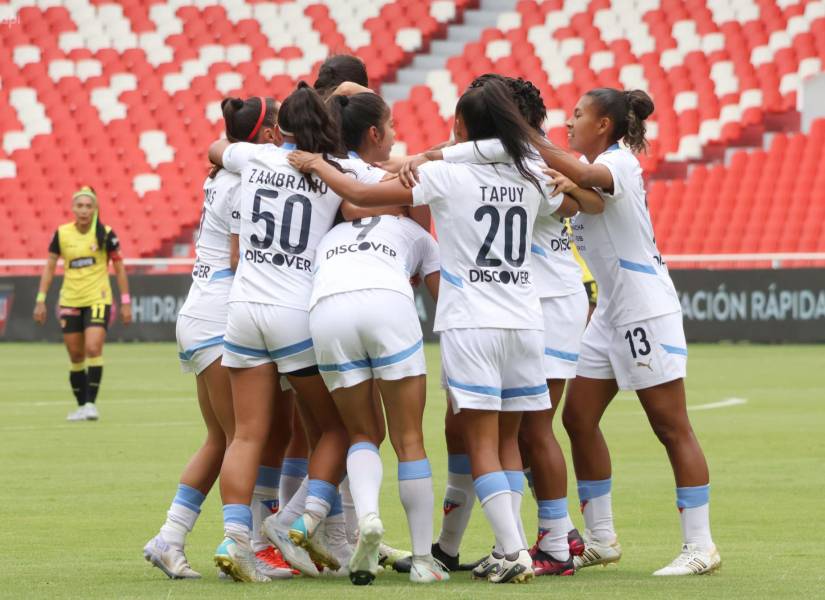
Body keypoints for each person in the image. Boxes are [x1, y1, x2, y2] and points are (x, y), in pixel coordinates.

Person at [288, 79, 581, 584]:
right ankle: (512, 545)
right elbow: (583, 205)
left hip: (473, 321)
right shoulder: (534, 171)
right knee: (512, 440)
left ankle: (513, 550)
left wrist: (316, 163)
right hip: (526, 320)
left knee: (481, 443)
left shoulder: (447, 175)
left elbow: (360, 192)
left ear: (463, 127)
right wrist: (566, 181)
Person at [525, 88, 720, 576]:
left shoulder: (621, 162)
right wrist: (559, 181)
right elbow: (588, 200)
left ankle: (701, 546)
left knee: (670, 425)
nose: (568, 124)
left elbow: (590, 179)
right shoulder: (592, 172)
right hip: (610, 312)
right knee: (578, 419)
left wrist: (528, 139)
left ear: (605, 125)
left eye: (577, 116)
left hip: (645, 310)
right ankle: (602, 538)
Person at [412, 74, 600, 577]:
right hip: (529, 305)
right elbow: (586, 200)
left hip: (531, 303)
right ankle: (491, 543)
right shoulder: (530, 162)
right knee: (496, 430)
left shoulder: (524, 159)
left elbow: (588, 196)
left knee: (526, 430)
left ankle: (552, 540)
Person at [206, 82, 382, 582]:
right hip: (293, 312)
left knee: (245, 435)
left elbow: (215, 148)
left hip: (243, 307)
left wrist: (227, 154)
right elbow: (373, 192)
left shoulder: (255, 159)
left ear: (278, 128)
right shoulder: (334, 174)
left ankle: (237, 539)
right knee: (341, 428)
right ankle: (295, 522)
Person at [143, 96, 293, 580]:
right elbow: (237, 257)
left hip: (198, 311)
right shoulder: (247, 180)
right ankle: (240, 545)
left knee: (223, 438)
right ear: (268, 134)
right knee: (246, 438)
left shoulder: (224, 173)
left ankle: (169, 537)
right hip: (220, 316)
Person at [310, 92, 445, 585]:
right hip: (386, 298)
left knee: (363, 434)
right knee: (410, 439)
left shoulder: (334, 223)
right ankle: (426, 563)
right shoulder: (414, 233)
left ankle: (366, 519)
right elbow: (444, 299)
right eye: (389, 126)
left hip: (326, 303)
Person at [33, 185, 131, 421]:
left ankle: (90, 404)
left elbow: (118, 268)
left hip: (99, 298)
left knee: (93, 348)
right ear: (72, 208)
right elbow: (49, 267)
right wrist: (40, 300)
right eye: (80, 205)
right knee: (76, 355)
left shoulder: (106, 234)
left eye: (88, 206)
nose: (84, 210)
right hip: (70, 300)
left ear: (95, 208)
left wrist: (126, 301)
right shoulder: (62, 233)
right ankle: (80, 406)